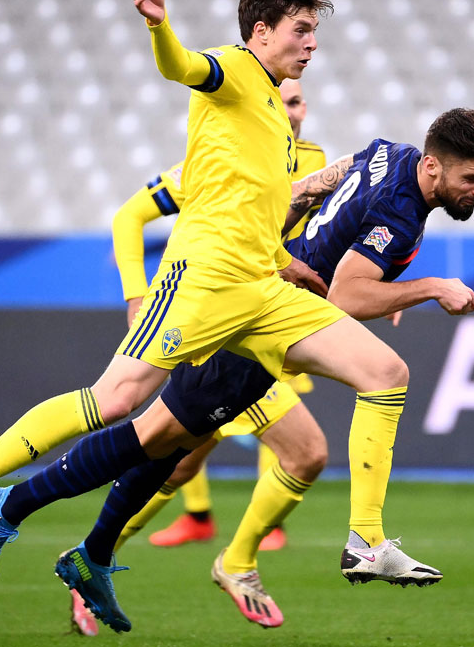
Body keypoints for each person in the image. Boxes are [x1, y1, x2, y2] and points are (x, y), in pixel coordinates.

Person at [0, 0, 464, 607]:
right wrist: (159, 25)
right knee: (118, 402)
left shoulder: (272, 109)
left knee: (385, 372)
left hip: (262, 288)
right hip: (201, 279)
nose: (312, 44)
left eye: (315, 31)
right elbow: (183, 66)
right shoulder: (235, 69)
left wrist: (289, 248)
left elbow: (261, 206)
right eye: (302, 30)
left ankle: (365, 543)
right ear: (261, 32)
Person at [0, 108, 474, 632]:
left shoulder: (387, 153)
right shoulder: (396, 211)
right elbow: (347, 292)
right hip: (262, 316)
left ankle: (88, 549)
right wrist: (429, 287)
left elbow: (311, 190)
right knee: (153, 435)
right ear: (432, 167)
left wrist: (311, 264)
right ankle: (13, 505)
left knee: (166, 448)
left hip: (265, 301)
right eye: (471, 178)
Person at [111, 78, 327, 554]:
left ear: (304, 108)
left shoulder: (318, 165)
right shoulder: (220, 160)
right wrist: (136, 295)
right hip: (228, 334)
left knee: (180, 459)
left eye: (294, 102)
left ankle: (99, 551)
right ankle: (243, 550)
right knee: (303, 450)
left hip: (273, 319)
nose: (287, 112)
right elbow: (130, 216)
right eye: (277, 101)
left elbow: (337, 232)